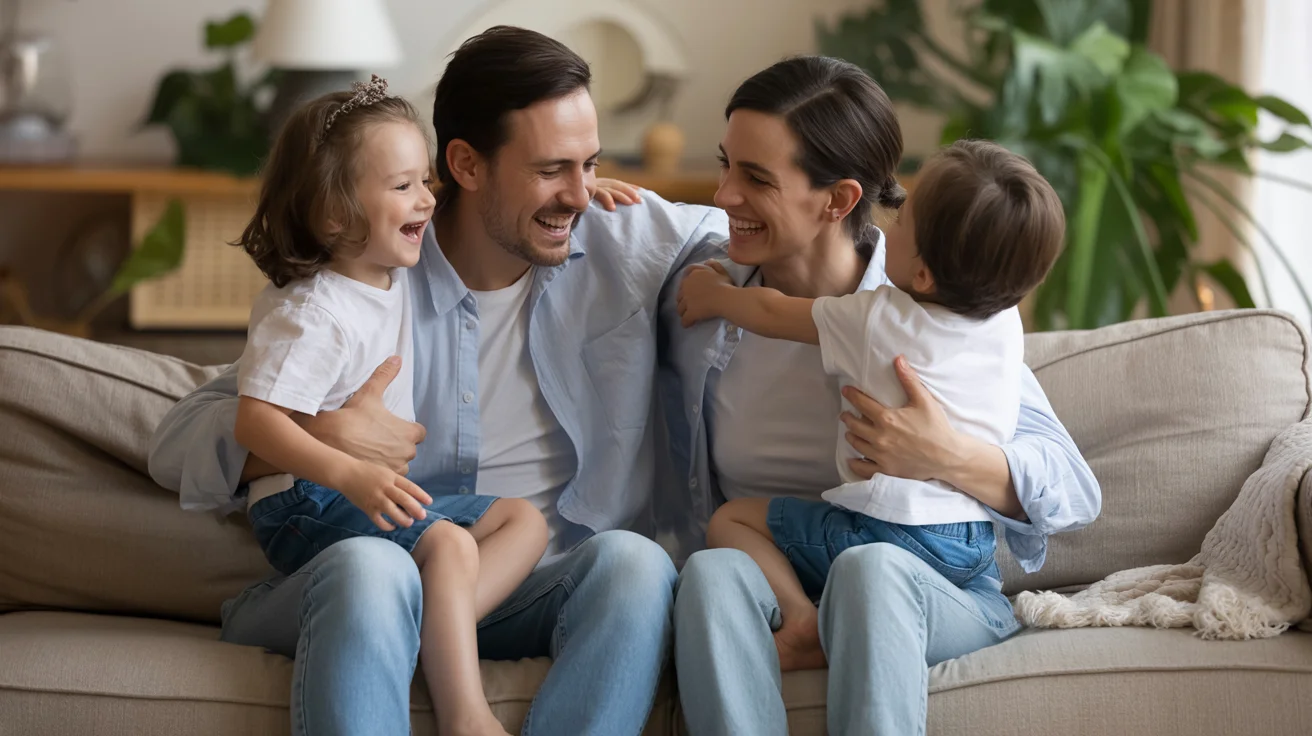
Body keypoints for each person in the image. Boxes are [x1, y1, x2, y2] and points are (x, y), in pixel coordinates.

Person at [148, 26, 726, 736]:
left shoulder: (618, 231)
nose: (578, 195)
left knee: (636, 566)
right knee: (372, 569)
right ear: (465, 164)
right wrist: (324, 436)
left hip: (528, 590)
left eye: (588, 164)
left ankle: (439, 638)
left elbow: (787, 245)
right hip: (370, 585)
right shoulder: (368, 275)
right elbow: (176, 444)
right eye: (551, 169)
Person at [652, 57, 1101, 735]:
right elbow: (627, 230)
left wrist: (945, 454)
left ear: (837, 200)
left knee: (874, 569)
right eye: (725, 165)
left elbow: (1073, 490)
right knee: (711, 573)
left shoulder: (939, 321)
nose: (723, 195)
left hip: (919, 585)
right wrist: (592, 190)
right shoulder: (706, 286)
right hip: (781, 575)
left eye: (755, 178)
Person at [226, 76, 547, 736]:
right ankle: (465, 713)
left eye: (425, 181)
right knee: (452, 548)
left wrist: (564, 192)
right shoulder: (313, 312)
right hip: (305, 498)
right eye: (403, 187)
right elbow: (254, 419)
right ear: (335, 215)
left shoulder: (386, 261)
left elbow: (490, 212)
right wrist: (348, 472)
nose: (427, 200)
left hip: (350, 491)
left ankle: (433, 625)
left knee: (524, 522)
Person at [673, 137, 1065, 676]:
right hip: (969, 540)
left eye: (904, 221)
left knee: (732, 521)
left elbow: (772, 311)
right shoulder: (1003, 325)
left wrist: (716, 298)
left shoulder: (875, 317)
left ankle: (801, 621)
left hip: (889, 535)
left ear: (924, 274)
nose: (888, 220)